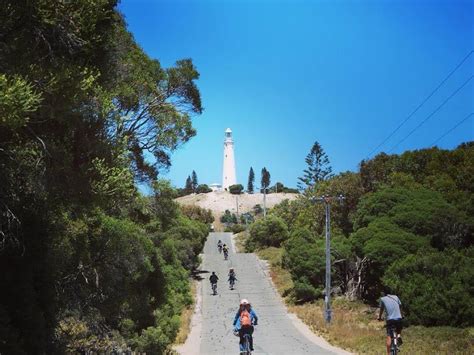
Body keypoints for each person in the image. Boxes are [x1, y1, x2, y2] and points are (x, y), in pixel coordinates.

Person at [378, 288, 403, 354]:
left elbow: (381, 310)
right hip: (399, 318)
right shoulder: (396, 297)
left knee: (389, 336)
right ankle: (399, 336)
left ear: (384, 293)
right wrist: (401, 315)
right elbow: (400, 306)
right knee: (399, 328)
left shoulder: (383, 299)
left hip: (390, 320)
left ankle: (388, 353)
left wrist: (379, 317)